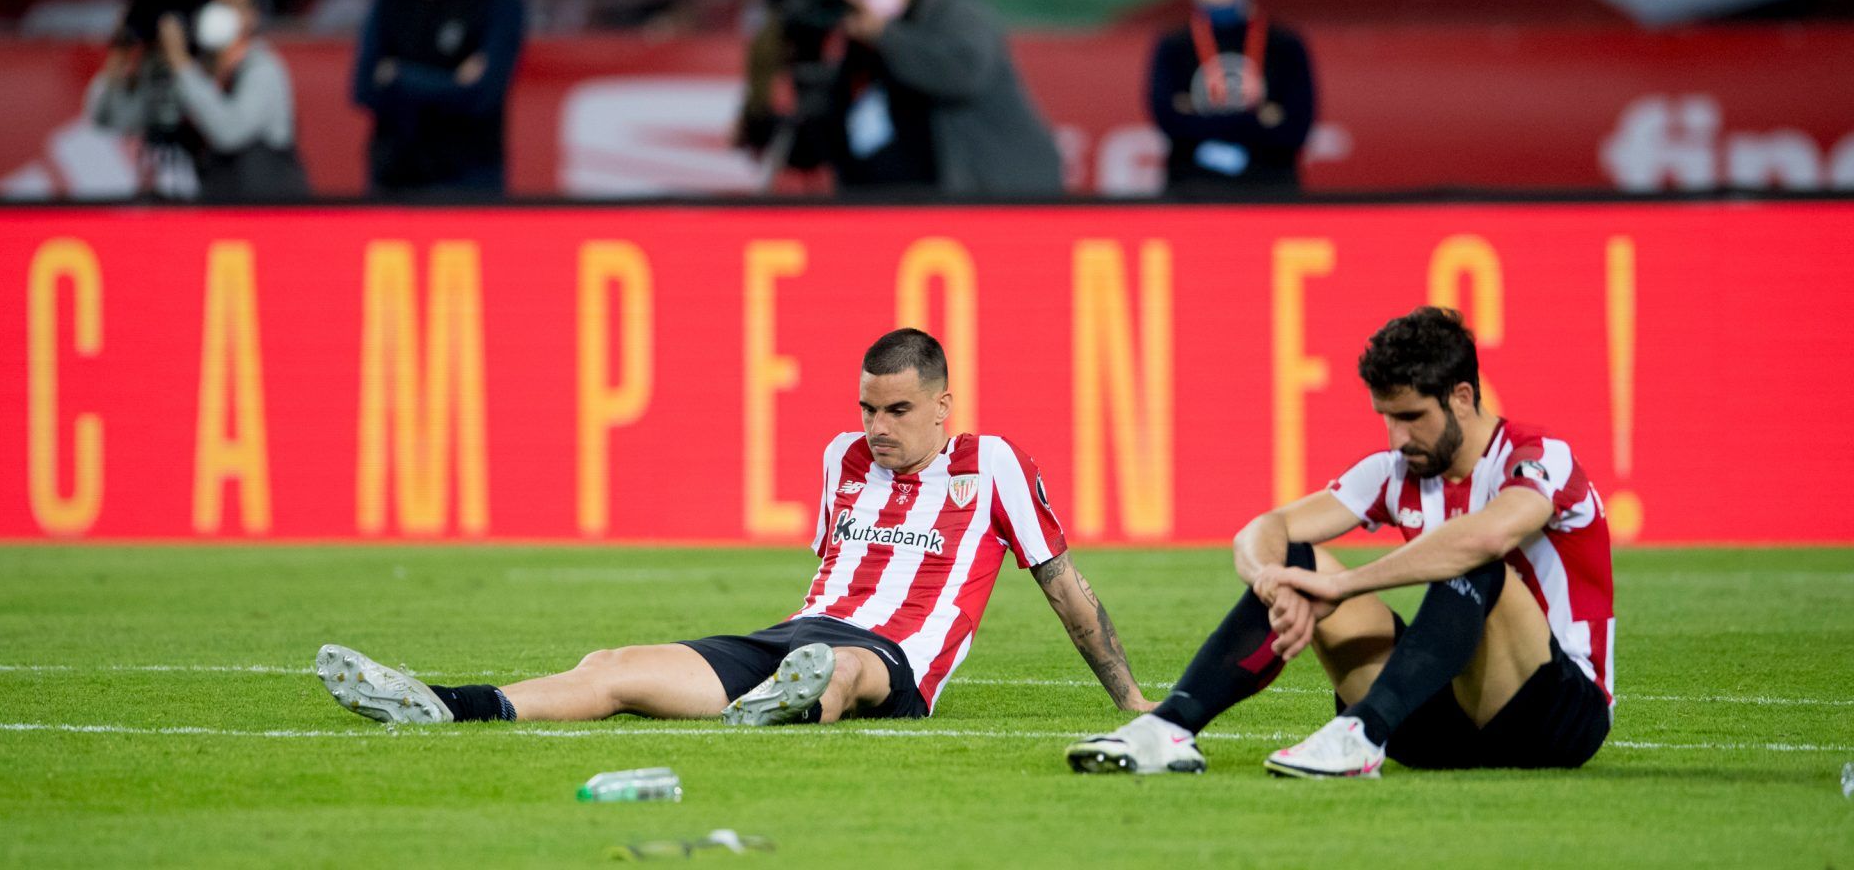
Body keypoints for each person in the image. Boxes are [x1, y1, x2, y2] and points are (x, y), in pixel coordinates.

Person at [317, 328, 1153, 725]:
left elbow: (1065, 590)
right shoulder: (841, 458)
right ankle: (446, 705)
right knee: (614, 666)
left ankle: (786, 706)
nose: (876, 426)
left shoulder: (992, 463)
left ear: (943, 406)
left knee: (842, 670)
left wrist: (1133, 701)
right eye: (867, 408)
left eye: (897, 410)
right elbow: (828, 575)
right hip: (794, 638)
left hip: (892, 662)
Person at [1067, 307, 1613, 777]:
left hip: (1557, 718)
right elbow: (1261, 531)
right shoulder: (1396, 470)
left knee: (1473, 561)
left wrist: (1344, 585)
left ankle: (1360, 735)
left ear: (1462, 397)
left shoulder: (1539, 458)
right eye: (1386, 418)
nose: (1398, 438)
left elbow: (1488, 536)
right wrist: (1273, 580)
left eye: (1412, 417)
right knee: (1296, 563)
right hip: (1443, 725)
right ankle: (1167, 728)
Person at [742, 0, 1066, 197]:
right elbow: (835, 137)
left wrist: (883, 34)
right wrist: (761, 116)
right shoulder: (859, 41)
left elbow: (963, 74)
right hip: (898, 211)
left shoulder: (950, 9)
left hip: (997, 200)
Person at [352, 0, 524, 198]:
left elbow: (483, 95)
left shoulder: (500, 0)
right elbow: (364, 88)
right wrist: (453, 83)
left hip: (469, 178)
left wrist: (399, 76)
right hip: (396, 174)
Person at [85, 0, 309, 201]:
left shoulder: (262, 68)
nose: (217, 9)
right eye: (211, 0)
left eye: (228, 2)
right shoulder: (194, 70)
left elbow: (230, 132)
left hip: (269, 211)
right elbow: (115, 120)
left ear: (252, 15)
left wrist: (179, 61)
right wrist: (120, 58)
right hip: (217, 210)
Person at [1149, 0, 1315, 195]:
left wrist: (1201, 117)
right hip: (1192, 190)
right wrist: (1258, 117)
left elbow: (1295, 129)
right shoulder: (1174, 45)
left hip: (1270, 189)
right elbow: (1169, 122)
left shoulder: (1285, 45)